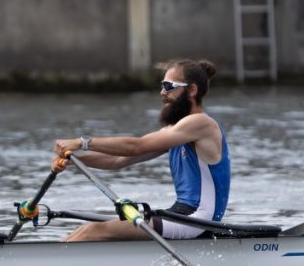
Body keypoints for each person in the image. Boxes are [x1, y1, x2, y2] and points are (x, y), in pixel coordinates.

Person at [51, 58, 230, 241]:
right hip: (180, 214)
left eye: (169, 86)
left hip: (197, 219)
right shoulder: (176, 132)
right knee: (83, 230)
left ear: (192, 90)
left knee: (92, 232)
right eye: (162, 86)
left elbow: (136, 146)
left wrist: (82, 142)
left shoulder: (201, 123)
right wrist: (73, 160)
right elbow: (117, 160)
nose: (162, 92)